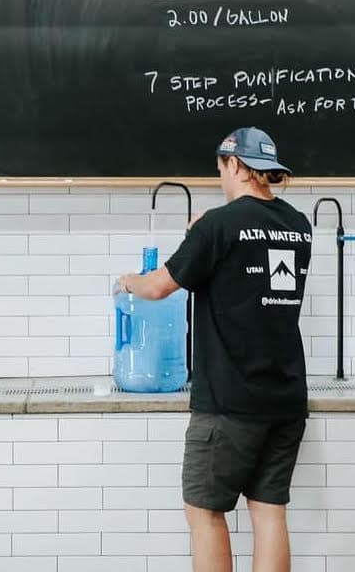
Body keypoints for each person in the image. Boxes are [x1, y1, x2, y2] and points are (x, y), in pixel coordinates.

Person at [116, 126, 312, 572]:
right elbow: (245, 261)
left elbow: (159, 287)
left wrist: (128, 281)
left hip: (229, 402)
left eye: (221, 168)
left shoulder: (218, 226)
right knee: (269, 511)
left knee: (204, 512)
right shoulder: (299, 226)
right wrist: (206, 230)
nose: (220, 178)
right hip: (285, 400)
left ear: (236, 164)